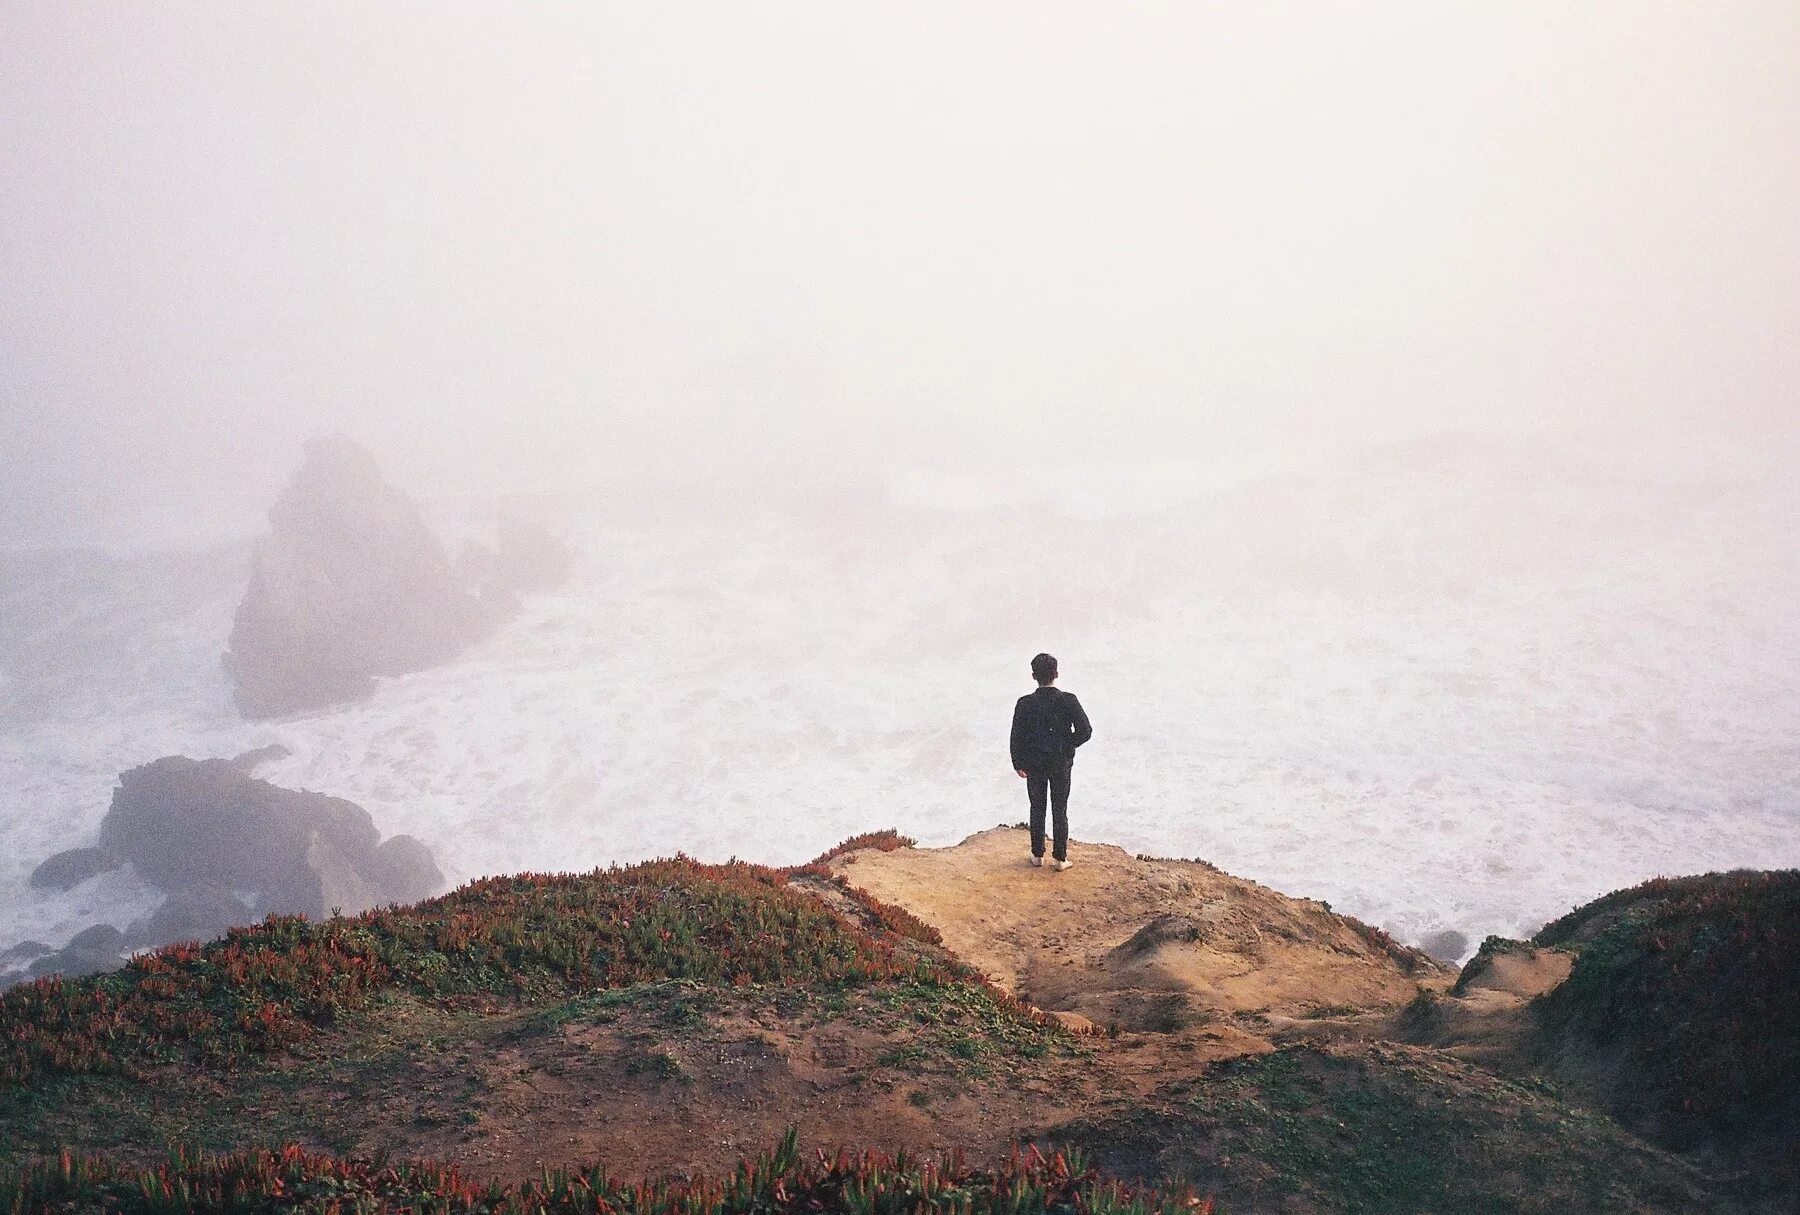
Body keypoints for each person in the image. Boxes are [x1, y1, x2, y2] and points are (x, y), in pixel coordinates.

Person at [1009, 652, 1092, 870]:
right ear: (1056, 674)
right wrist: (1067, 744)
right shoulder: (1069, 700)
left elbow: (1016, 736)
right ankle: (1060, 859)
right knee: (1059, 808)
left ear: (1033, 675)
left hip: (1034, 763)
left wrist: (1018, 763)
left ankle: (1037, 855)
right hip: (1061, 762)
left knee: (1037, 807)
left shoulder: (1024, 703)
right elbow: (1085, 731)